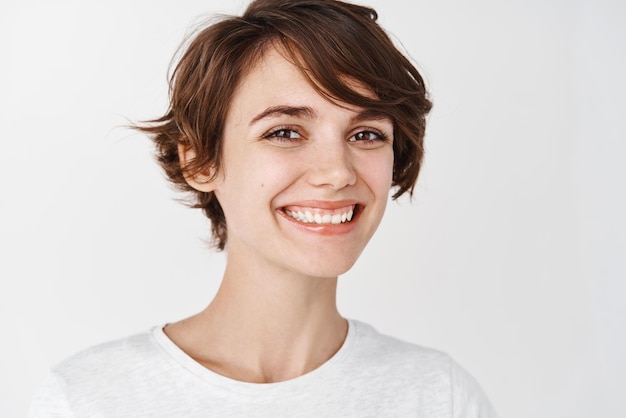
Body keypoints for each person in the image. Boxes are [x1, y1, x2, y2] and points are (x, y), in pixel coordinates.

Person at [28, 0, 498, 416]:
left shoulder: (439, 397)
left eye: (366, 134)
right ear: (201, 160)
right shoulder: (88, 400)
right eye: (285, 132)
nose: (337, 172)